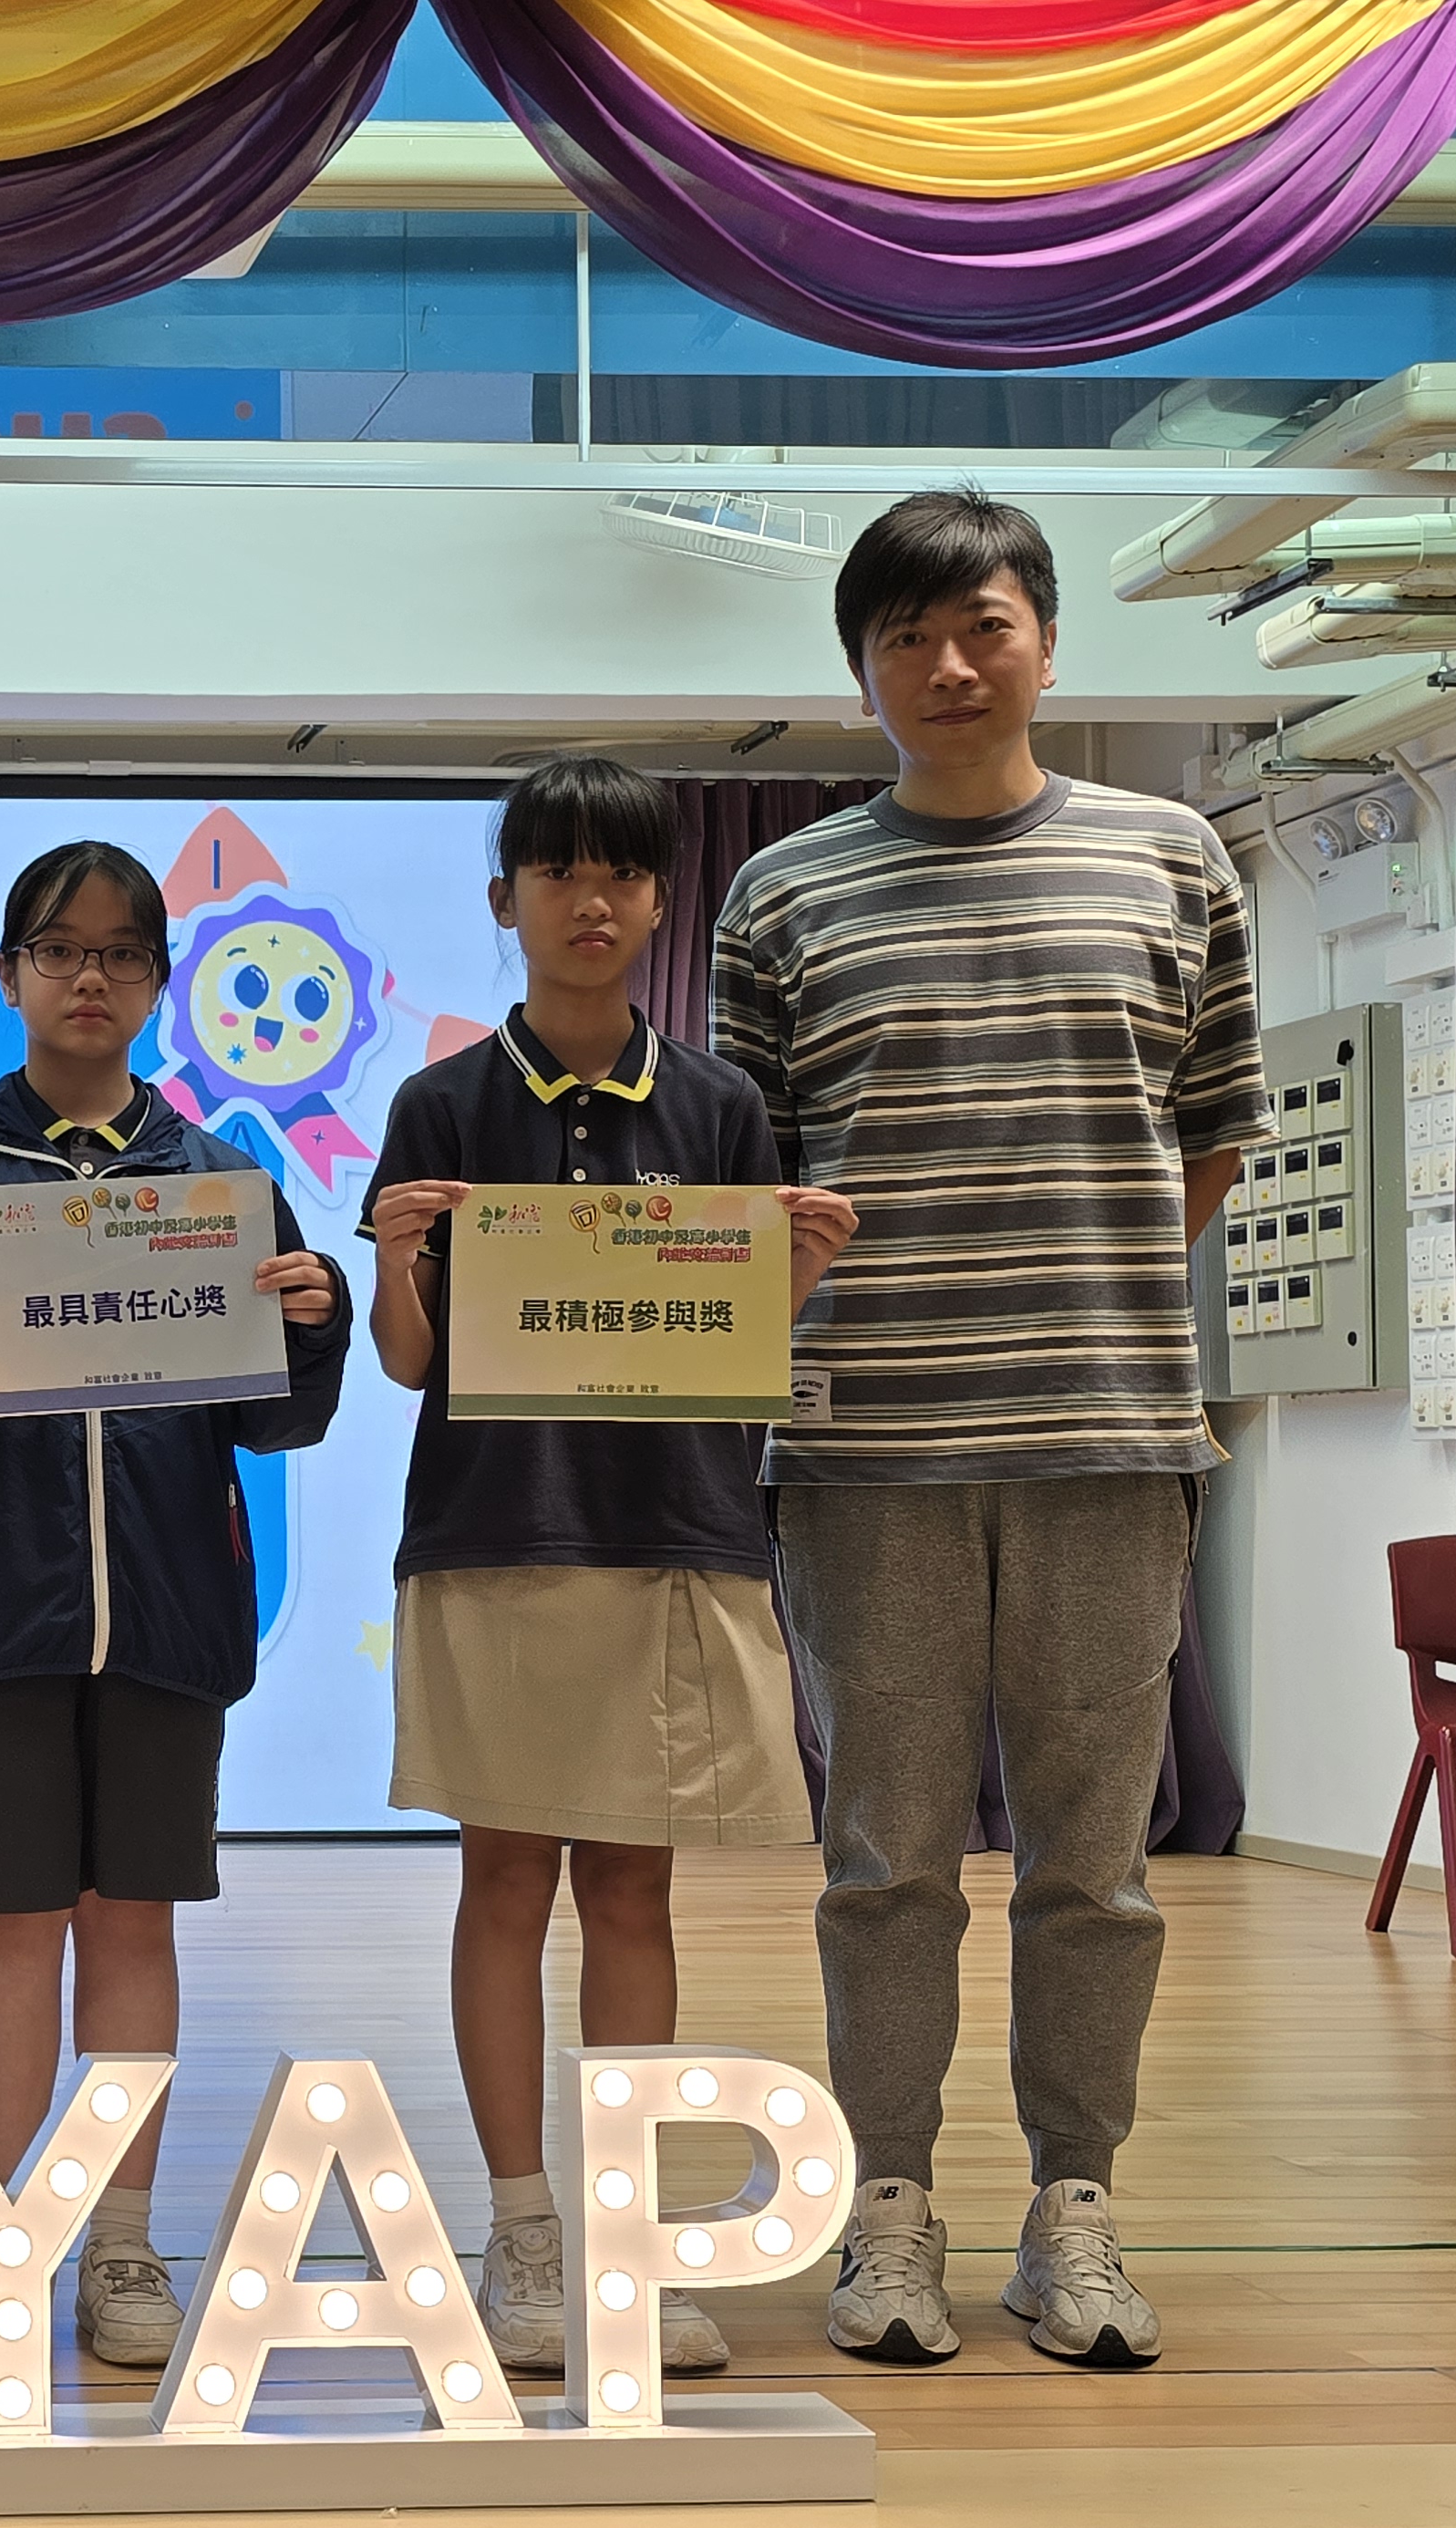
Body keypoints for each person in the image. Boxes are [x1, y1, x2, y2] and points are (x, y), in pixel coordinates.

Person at [714, 489, 1270, 2370]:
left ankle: (1072, 2214)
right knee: (881, 1861)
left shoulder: (1172, 859)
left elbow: (1208, 1138)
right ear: (859, 670)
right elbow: (741, 1188)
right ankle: (886, 2210)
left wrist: (1072, 1290)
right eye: (906, 638)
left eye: (983, 627)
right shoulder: (782, 895)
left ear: (1044, 643)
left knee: (1092, 1868)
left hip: (1110, 1444)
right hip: (859, 1453)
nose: (947, 666)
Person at [0, 840, 348, 2367]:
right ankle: (6, 2239)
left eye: (119, 952)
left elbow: (277, 1420)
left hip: (168, 1610)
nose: (88, 976)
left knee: (133, 1923)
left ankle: (119, 2244)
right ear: (10, 975)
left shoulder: (220, 1182)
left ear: (159, 981)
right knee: (11, 1923)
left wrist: (315, 1321)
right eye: (58, 949)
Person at [360, 756, 856, 2381]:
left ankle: (626, 2238)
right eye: (558, 872)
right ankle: (523, 2234)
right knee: (503, 1880)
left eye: (624, 875)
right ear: (504, 898)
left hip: (671, 1534)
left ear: (660, 901)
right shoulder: (442, 1102)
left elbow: (729, 1355)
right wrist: (403, 1257)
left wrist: (787, 1277)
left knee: (635, 1888)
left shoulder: (717, 1107)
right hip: (498, 1533)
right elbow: (407, 1361)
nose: (592, 902)